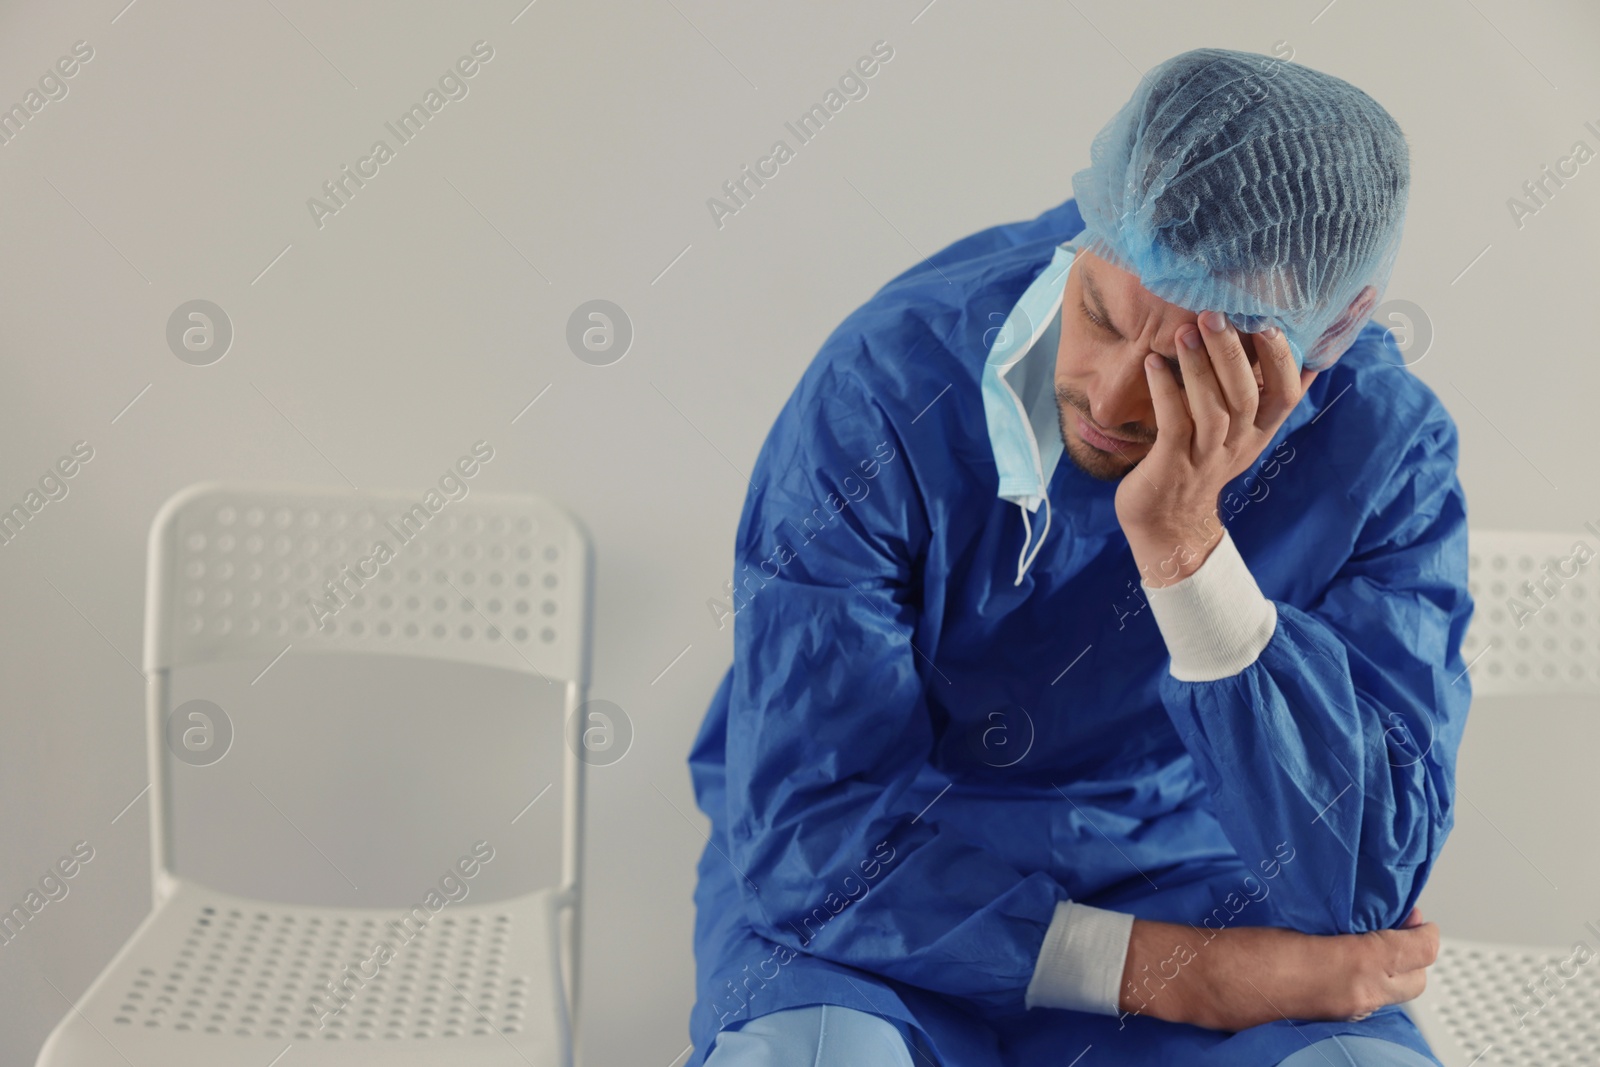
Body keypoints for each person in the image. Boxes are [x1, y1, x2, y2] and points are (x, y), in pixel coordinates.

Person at [686, 47, 1470, 1067]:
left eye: (1193, 366)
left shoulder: (1383, 451)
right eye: (1098, 314)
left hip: (1199, 872)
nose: (1107, 399)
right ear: (1094, 228)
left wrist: (1186, 546)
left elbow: (1359, 880)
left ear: (1331, 331)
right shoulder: (888, 385)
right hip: (880, 901)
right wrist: (1200, 974)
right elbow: (814, 834)